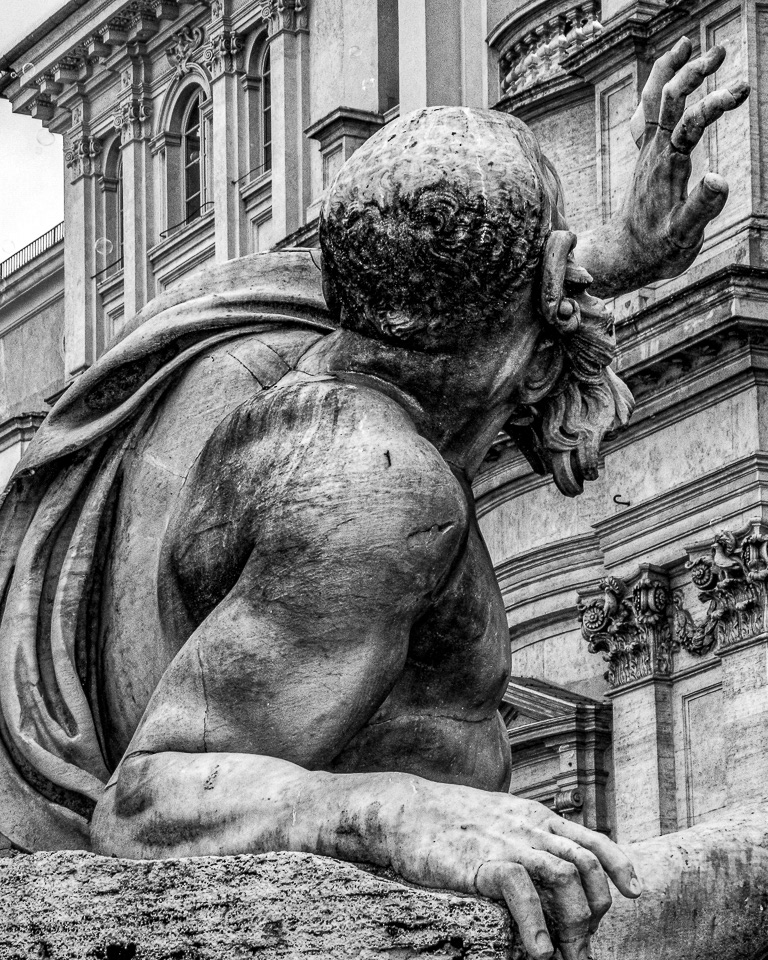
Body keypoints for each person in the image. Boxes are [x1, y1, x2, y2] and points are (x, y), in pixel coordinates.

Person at [0, 38, 747, 960]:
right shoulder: (373, 486)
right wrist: (396, 813)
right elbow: (148, 803)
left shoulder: (284, 345)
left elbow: (443, 289)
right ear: (548, 288)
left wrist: (613, 257)